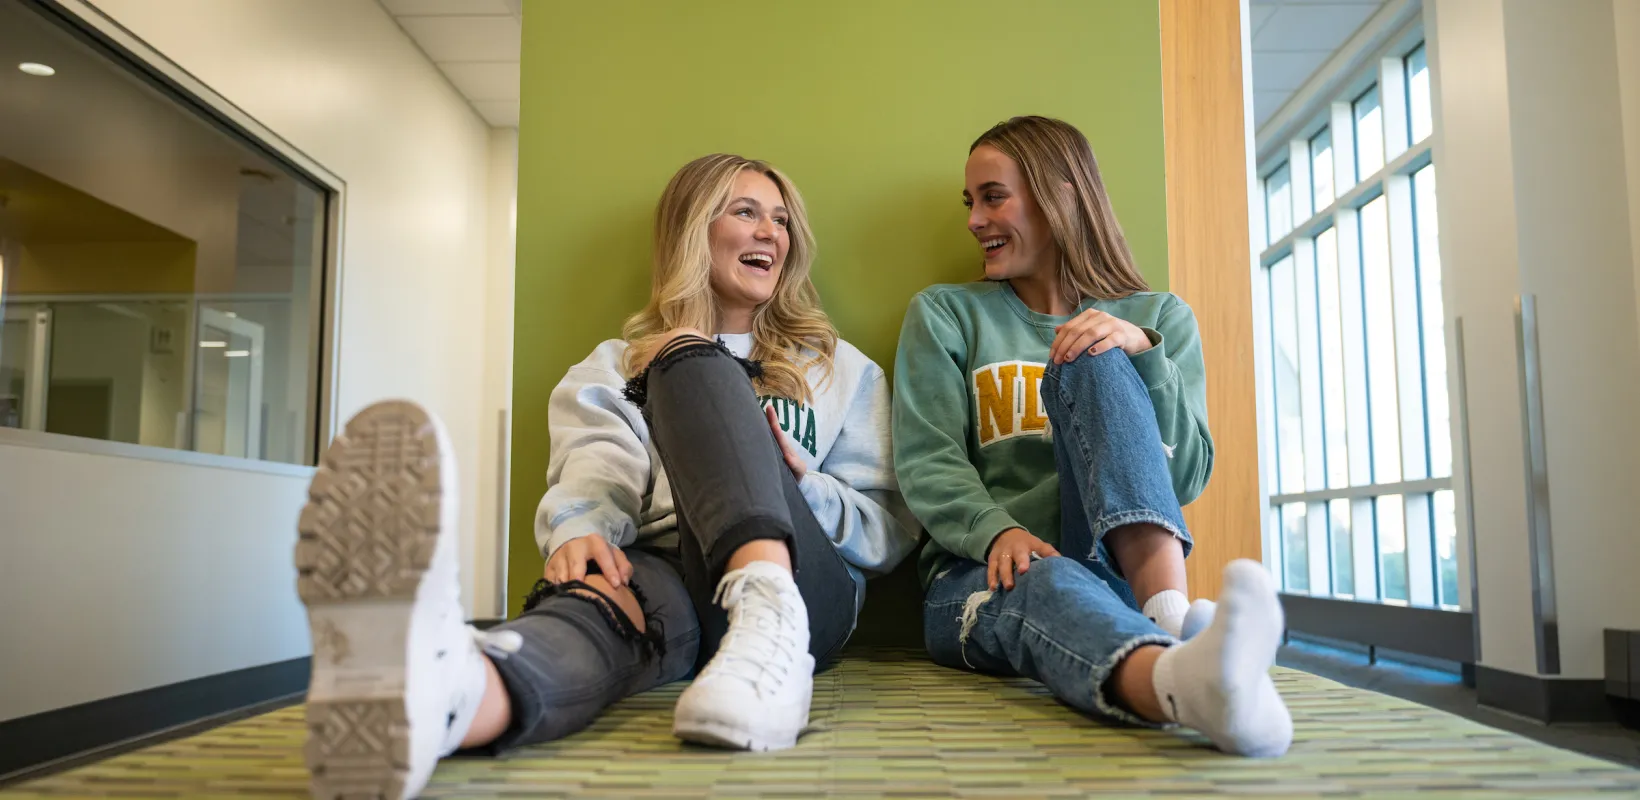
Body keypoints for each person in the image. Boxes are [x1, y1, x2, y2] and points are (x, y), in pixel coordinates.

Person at [295, 153, 919, 799]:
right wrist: (579, 528)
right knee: (597, 610)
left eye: (781, 220)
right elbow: (597, 467)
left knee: (687, 356)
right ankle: (454, 697)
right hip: (667, 565)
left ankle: (767, 615)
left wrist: (801, 482)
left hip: (804, 587)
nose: (771, 233)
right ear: (693, 229)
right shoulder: (618, 366)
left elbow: (887, 531)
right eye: (745, 212)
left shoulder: (839, 368)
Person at [892, 115, 1292, 757]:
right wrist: (999, 531)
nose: (974, 220)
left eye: (993, 197)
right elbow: (926, 458)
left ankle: (1166, 620)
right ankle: (1183, 676)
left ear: (1061, 196)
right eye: (971, 202)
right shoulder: (946, 313)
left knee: (1096, 349)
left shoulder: (1158, 317)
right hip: (982, 578)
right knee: (1044, 580)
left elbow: (1184, 476)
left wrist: (1142, 356)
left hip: (1118, 577)